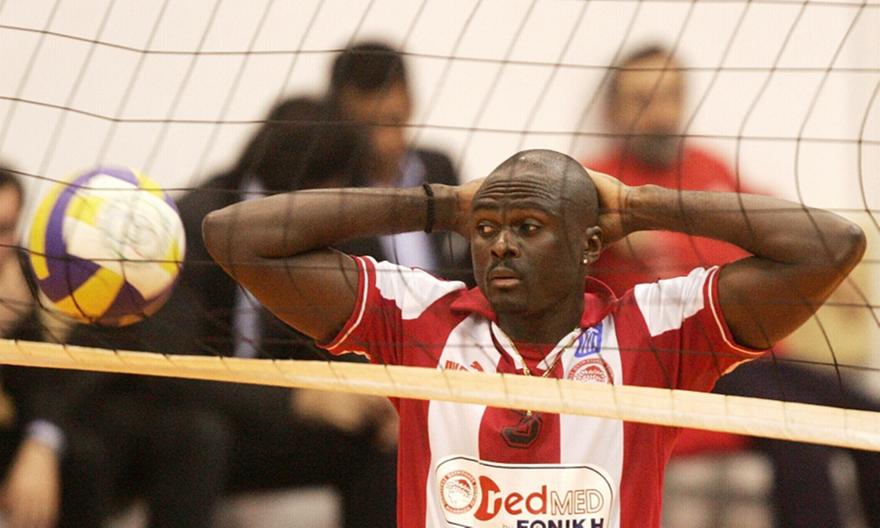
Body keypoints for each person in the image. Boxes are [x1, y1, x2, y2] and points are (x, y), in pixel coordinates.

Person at [201, 145, 865, 527]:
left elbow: (833, 245)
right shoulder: (418, 315)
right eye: (486, 228)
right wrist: (438, 204)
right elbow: (234, 237)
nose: (500, 245)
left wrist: (638, 204)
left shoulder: (655, 328)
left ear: (589, 245)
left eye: (528, 226)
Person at [586, 44, 880, 527]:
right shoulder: (597, 183)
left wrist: (837, 273)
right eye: (643, 100)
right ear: (614, 109)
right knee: (799, 438)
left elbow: (787, 228)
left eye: (670, 96)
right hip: (686, 365)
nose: (661, 114)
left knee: (869, 421)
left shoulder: (709, 167)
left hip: (760, 358)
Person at [138, 96, 397, 527]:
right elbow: (174, 368)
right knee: (199, 434)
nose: (342, 195)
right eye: (334, 183)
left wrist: (384, 394)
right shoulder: (195, 223)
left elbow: (364, 321)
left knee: (381, 442)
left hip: (278, 423)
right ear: (304, 182)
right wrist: (299, 399)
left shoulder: (334, 226)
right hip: (203, 416)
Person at [0, 166, 104, 528]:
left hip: (17, 429)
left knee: (83, 456)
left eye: (5, 229)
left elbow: (48, 384)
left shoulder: (29, 275)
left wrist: (42, 441)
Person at [328, 41, 470, 281]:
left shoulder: (439, 166)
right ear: (342, 110)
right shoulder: (334, 187)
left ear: (409, 100)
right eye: (371, 125)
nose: (384, 136)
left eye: (391, 120)